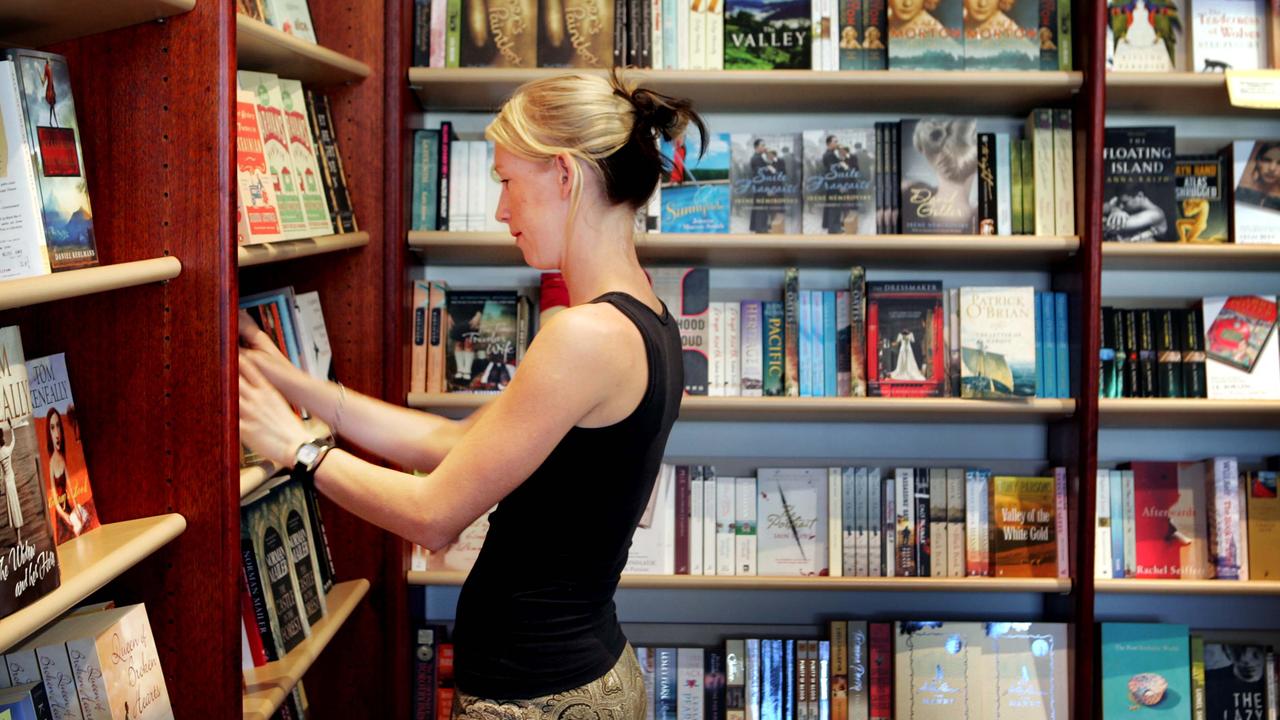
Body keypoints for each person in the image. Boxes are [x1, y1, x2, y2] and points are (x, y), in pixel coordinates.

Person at [238, 70, 696, 717]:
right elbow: (455, 443)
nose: (502, 210)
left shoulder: (586, 335)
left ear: (565, 176)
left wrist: (298, 450)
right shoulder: (646, 318)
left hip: (542, 696)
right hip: (576, 678)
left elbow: (433, 513)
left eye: (508, 182)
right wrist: (296, 384)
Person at [44, 408, 80, 540]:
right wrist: (66, 517)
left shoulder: (62, 459)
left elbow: (70, 488)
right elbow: (54, 499)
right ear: (49, 433)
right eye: (52, 428)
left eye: (58, 426)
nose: (57, 433)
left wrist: (76, 508)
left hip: (69, 509)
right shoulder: (51, 463)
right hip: (61, 515)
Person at [1236, 141, 1280, 212]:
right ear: (1258, 161)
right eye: (1267, 160)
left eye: (1279, 163)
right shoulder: (1240, 191)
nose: (1272, 168)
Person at [0, 420, 21, 534]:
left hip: (6, 483)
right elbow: (13, 440)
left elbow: (0, 475)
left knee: (11, 508)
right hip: (11, 480)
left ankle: (17, 538)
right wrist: (11, 427)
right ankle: (19, 539)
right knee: (15, 506)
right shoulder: (7, 450)